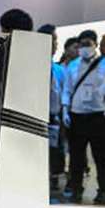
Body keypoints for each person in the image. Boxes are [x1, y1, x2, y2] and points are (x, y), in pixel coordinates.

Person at [61, 30, 105, 205]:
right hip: (77, 115)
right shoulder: (73, 66)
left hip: (99, 115)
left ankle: (104, 190)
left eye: (88, 44)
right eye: (82, 44)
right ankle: (75, 188)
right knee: (76, 157)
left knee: (101, 156)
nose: (84, 47)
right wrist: (65, 110)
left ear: (95, 44)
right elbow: (67, 89)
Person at [38, 24, 67, 189]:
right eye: (53, 40)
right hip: (36, 117)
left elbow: (63, 95)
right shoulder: (33, 67)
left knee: (54, 151)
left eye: (56, 40)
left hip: (54, 118)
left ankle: (53, 179)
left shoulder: (59, 70)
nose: (56, 44)